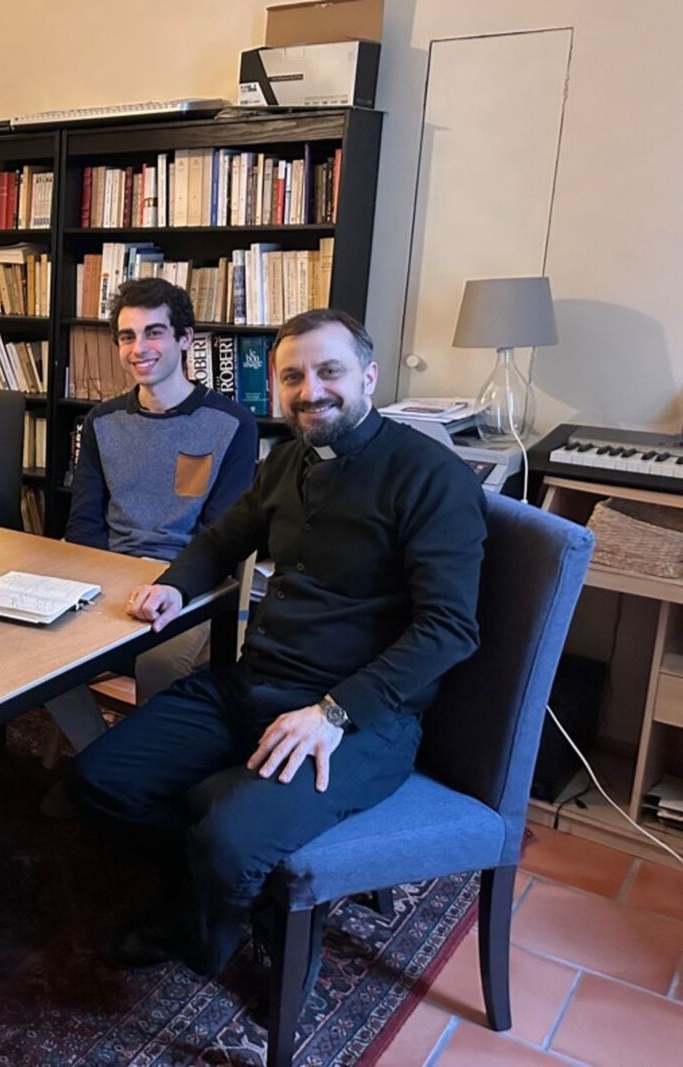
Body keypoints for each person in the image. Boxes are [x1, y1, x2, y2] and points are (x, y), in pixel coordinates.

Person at [67, 308, 487, 981]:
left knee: (228, 839)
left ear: (369, 376)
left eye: (329, 372)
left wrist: (332, 712)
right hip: (250, 683)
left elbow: (449, 629)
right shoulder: (287, 460)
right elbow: (222, 539)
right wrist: (174, 586)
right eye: (292, 377)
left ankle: (203, 930)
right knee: (99, 779)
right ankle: (222, 888)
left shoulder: (432, 477)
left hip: (357, 717)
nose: (310, 390)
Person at [47, 279, 258, 757]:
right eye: (127, 336)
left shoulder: (232, 423)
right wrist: (98, 584)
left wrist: (169, 584)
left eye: (154, 332)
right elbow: (84, 524)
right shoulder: (102, 422)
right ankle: (101, 758)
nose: (139, 348)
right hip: (109, 577)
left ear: (185, 338)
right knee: (39, 652)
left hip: (190, 583)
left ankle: (133, 768)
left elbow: (220, 536)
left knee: (157, 664)